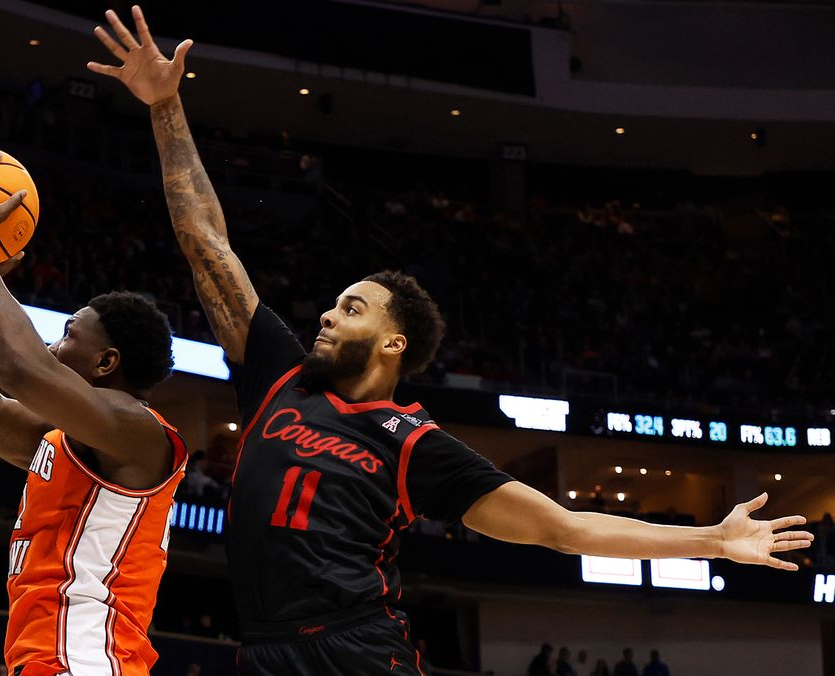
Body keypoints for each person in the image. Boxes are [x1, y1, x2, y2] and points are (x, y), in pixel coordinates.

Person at [90, 7, 816, 675]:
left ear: (394, 343)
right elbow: (206, 244)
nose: (326, 316)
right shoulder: (281, 376)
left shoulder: (414, 444)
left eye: (351, 308)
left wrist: (714, 543)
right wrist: (165, 106)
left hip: (359, 650)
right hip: (265, 652)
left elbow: (563, 529)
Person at [0, 148, 188, 676]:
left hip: (86, 660)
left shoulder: (138, 435)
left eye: (68, 334)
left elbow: (17, 369)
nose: (52, 346)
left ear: (105, 363)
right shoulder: (67, 440)